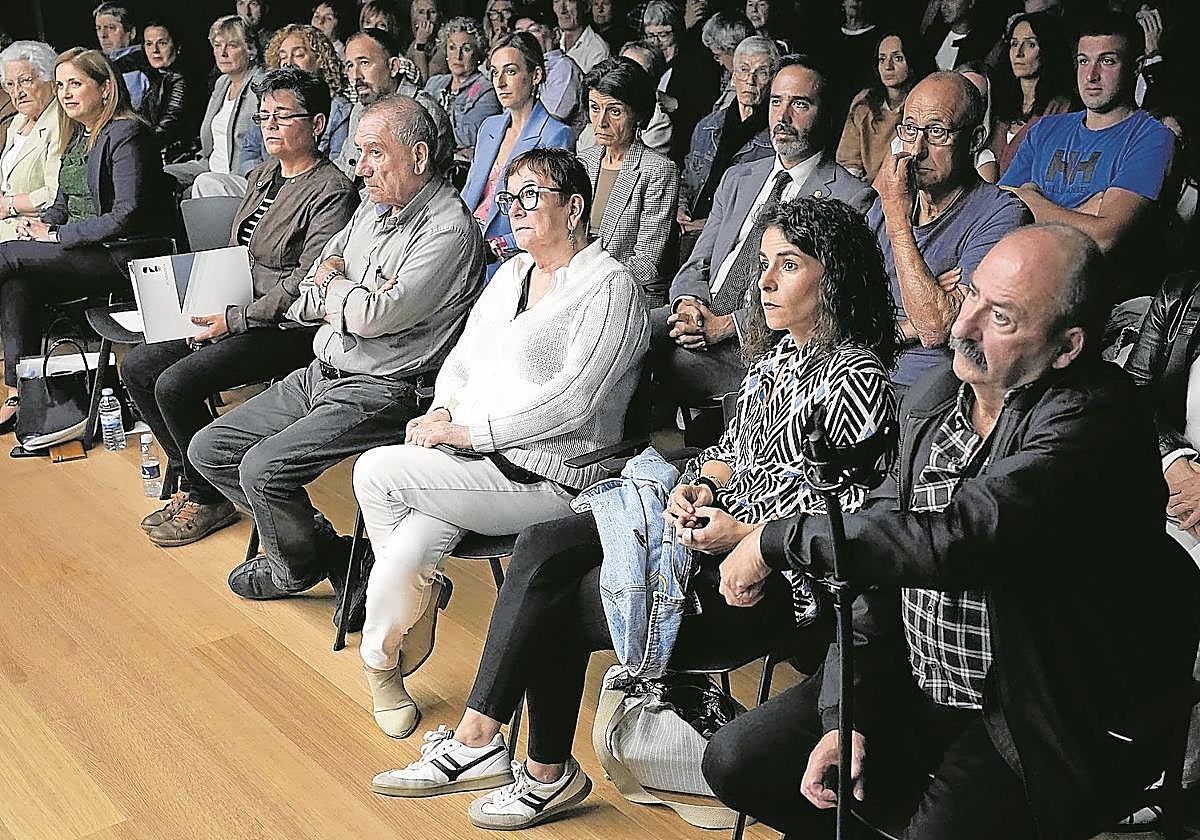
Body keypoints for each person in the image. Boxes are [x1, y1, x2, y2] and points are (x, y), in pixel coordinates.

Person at [368, 196, 900, 832]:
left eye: (787, 265)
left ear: (833, 277)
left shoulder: (857, 382)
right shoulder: (780, 359)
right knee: (542, 544)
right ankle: (487, 739)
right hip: (706, 534)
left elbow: (844, 518)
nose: (763, 281)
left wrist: (749, 534)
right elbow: (733, 457)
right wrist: (698, 487)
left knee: (555, 606)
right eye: (763, 262)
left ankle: (533, 769)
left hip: (770, 584)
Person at [704, 223, 1200, 840]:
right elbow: (880, 571)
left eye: (1002, 317)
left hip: (1028, 707)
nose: (963, 327)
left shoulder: (1095, 420)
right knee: (738, 762)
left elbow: (956, 538)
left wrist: (772, 540)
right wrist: (845, 713)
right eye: (969, 296)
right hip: (919, 677)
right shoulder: (937, 397)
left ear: (1067, 348)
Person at [353, 147, 649, 739]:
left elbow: (574, 401)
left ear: (575, 206)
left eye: (531, 196)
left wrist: (466, 431)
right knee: (407, 546)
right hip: (472, 466)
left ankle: (415, 610)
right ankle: (383, 662)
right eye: (509, 198)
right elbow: (463, 361)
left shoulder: (611, 288)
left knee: (376, 473)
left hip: (554, 477)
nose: (515, 209)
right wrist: (441, 408)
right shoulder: (512, 274)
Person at [188, 96, 484, 610]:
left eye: (374, 153)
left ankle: (295, 565)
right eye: (358, 154)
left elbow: (375, 316)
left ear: (417, 156)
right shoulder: (372, 206)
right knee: (209, 450)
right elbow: (310, 287)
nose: (360, 168)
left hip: (387, 389)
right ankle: (329, 555)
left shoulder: (449, 229)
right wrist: (339, 288)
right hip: (322, 370)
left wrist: (337, 286)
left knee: (262, 470)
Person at [122, 67, 358, 547]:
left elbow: (304, 283)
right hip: (237, 311)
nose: (268, 125)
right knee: (140, 365)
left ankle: (205, 496)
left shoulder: (332, 189)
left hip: (286, 328)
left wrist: (232, 321)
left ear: (317, 124)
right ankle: (199, 482)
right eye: (263, 115)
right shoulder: (263, 174)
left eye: (282, 116)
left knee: (176, 382)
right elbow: (239, 257)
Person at [658, 55, 873, 413]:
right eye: (776, 101)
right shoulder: (739, 177)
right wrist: (688, 305)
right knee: (624, 328)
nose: (783, 117)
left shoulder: (850, 197)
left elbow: (822, 301)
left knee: (661, 364)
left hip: (759, 341)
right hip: (701, 314)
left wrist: (728, 326)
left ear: (826, 114)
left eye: (800, 104)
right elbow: (699, 261)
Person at [0, 48, 168, 434]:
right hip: (79, 251)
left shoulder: (128, 133)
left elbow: (127, 215)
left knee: (7, 257)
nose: (65, 94)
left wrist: (57, 234)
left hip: (121, 258)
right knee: (16, 284)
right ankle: (24, 396)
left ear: (106, 88)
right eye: (60, 85)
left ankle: (25, 396)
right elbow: (62, 203)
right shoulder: (79, 136)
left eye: (75, 84)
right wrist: (42, 225)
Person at [869, 71, 1029, 392]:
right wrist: (907, 322)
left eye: (937, 132)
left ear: (974, 140)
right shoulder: (889, 201)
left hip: (923, 390)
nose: (917, 150)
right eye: (910, 130)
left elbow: (934, 328)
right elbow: (836, 304)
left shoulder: (1001, 214)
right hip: (860, 373)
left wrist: (899, 224)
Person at [998, 11, 1176, 296]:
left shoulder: (1153, 137)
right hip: (1024, 283)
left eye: (1107, 61)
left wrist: (1031, 198)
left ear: (1135, 66)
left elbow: (1105, 237)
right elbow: (998, 213)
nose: (1091, 75)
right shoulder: (1046, 128)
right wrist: (1090, 210)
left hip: (1098, 298)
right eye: (1083, 61)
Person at [463, 31, 572, 278]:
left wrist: (497, 247)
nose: (500, 82)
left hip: (508, 257)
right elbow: (469, 194)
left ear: (535, 76)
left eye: (510, 71)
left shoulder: (555, 134)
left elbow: (548, 218)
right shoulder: (489, 127)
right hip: (465, 243)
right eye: (494, 72)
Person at [200, 23, 353, 196]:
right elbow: (249, 150)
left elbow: (337, 166)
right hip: (263, 183)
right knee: (207, 183)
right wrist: (263, 180)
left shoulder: (339, 111)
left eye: (298, 55)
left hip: (306, 191)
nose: (288, 63)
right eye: (282, 57)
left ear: (320, 59)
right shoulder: (269, 102)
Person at [578, 57, 679, 304]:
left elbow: (646, 262)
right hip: (575, 285)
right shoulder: (583, 161)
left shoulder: (658, 170)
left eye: (614, 111)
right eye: (594, 108)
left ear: (638, 113)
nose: (601, 122)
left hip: (627, 295)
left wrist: (586, 284)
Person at [680, 35, 778, 240]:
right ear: (733, 76)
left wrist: (710, 225)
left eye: (761, 73)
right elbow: (687, 179)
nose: (750, 80)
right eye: (743, 69)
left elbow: (764, 210)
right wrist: (680, 210)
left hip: (734, 238)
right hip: (689, 233)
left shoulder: (775, 141)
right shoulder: (707, 126)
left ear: (773, 80)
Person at [164, 16, 265, 194]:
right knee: (159, 175)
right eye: (217, 45)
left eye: (232, 46)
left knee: (204, 184)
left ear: (251, 50)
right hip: (209, 170)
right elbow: (209, 152)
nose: (222, 53)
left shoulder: (262, 84)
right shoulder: (222, 83)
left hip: (243, 179)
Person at [336, 28, 452, 179]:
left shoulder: (424, 111)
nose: (355, 76)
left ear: (393, 67)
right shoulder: (360, 109)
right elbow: (346, 166)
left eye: (364, 63)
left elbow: (410, 185)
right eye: (350, 66)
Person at [837, 29, 934, 182]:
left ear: (913, 61)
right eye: (882, 59)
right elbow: (848, 160)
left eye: (897, 58)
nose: (888, 66)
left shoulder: (927, 103)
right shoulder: (864, 102)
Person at [987, 12, 1073, 178]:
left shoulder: (1062, 108)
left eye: (1030, 44)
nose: (1018, 53)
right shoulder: (1001, 105)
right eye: (1014, 44)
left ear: (1048, 49)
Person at [0, 41, 65, 243]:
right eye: (10, 84)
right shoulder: (18, 121)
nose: (17, 92)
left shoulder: (61, 121)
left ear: (51, 80)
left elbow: (54, 193)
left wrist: (9, 204)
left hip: (33, 230)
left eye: (25, 81)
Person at [425, 17, 502, 161]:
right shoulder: (434, 84)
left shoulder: (486, 89)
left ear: (478, 53)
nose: (457, 56)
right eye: (452, 47)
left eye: (466, 49)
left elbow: (469, 135)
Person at [137, 18, 200, 164]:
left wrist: (136, 144)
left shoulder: (181, 78)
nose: (155, 50)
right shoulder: (159, 75)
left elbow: (170, 124)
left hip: (181, 157)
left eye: (162, 43)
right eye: (149, 44)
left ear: (177, 46)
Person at [514, 7, 583, 128]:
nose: (524, 38)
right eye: (519, 32)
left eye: (533, 30)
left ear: (555, 34)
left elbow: (549, 120)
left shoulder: (564, 68)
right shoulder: (520, 68)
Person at [93, 2, 150, 109]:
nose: (103, 35)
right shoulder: (103, 62)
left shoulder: (136, 67)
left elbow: (129, 112)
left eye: (111, 28)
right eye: (98, 28)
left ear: (131, 32)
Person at [554, 0, 610, 74]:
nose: (562, 10)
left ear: (586, 6)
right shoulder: (553, 42)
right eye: (556, 1)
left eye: (570, 1)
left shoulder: (598, 50)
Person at [406, 0, 448, 81]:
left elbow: (424, 81)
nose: (426, 17)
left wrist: (420, 44)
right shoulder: (414, 43)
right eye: (421, 12)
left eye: (432, 12)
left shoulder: (446, 43)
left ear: (440, 15)